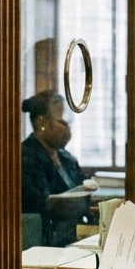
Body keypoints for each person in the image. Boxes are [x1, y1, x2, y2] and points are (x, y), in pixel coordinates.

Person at [21, 91, 88, 247]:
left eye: (68, 122)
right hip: (47, 241)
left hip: (74, 235)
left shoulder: (67, 158)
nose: (67, 128)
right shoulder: (26, 157)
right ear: (41, 122)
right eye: (62, 122)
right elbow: (42, 204)